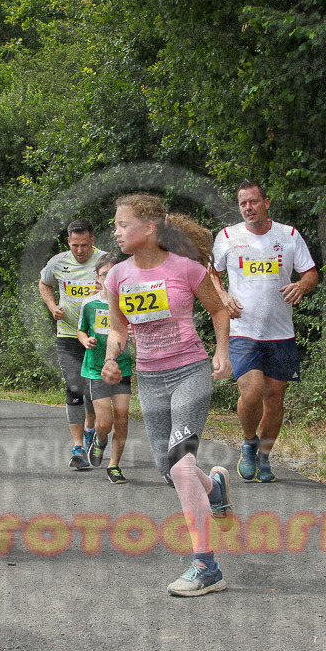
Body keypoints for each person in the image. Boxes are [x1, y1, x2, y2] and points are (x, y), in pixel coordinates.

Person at [101, 193, 234, 597]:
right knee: (168, 470)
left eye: (123, 224)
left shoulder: (187, 268)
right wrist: (112, 357)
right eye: (117, 225)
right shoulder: (116, 276)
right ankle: (214, 489)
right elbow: (118, 327)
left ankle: (206, 566)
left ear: (149, 228)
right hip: (150, 377)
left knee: (179, 465)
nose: (117, 231)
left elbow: (218, 309)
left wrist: (222, 351)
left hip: (189, 371)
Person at [212, 179, 318, 483]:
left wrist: (301, 285)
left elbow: (311, 273)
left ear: (266, 203)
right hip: (243, 329)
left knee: (275, 399)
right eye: (243, 203)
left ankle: (264, 457)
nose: (248, 208)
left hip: (281, 332)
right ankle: (248, 443)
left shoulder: (289, 235)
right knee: (252, 391)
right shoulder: (228, 236)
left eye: (253, 202)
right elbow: (211, 274)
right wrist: (222, 296)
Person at [39, 219, 101, 469]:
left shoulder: (105, 261)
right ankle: (78, 447)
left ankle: (89, 430)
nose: (80, 251)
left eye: (84, 245)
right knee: (74, 386)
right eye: (75, 245)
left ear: (93, 241)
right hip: (67, 334)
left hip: (98, 336)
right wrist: (52, 306)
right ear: (68, 243)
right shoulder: (58, 262)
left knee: (93, 390)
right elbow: (44, 283)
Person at [77, 252, 132, 484]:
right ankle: (99, 440)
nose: (108, 279)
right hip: (96, 369)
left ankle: (114, 466)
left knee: (121, 420)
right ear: (97, 277)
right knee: (105, 423)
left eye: (113, 274)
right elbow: (81, 329)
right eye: (104, 275)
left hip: (123, 368)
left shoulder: (128, 302)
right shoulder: (89, 303)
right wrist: (84, 340)